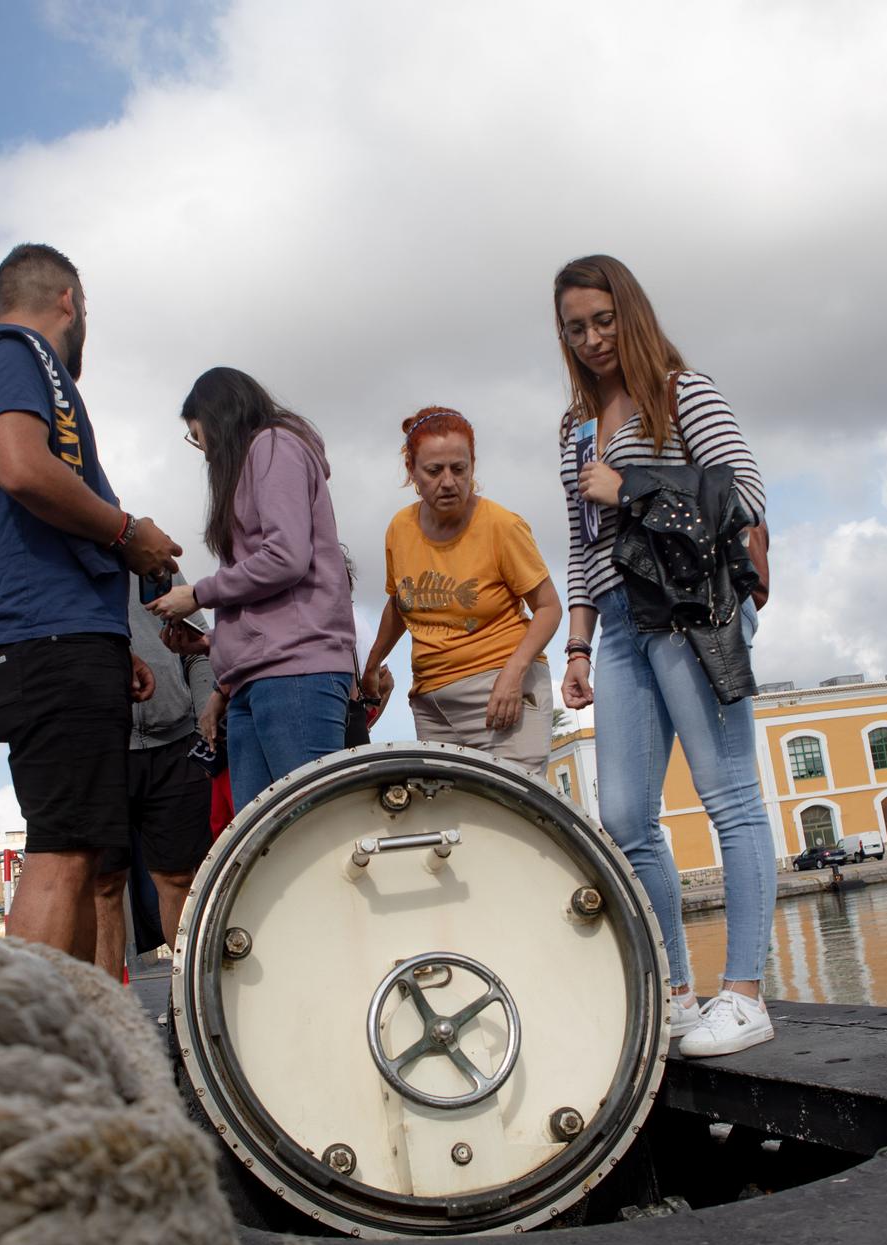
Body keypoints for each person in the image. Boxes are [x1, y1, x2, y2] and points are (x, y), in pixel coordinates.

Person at [0, 242, 182, 963]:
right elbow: (22, 466)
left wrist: (116, 639)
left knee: (75, 846)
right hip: (48, 642)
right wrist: (128, 532)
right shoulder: (13, 354)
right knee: (63, 852)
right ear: (68, 300)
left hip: (62, 641)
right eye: (85, 308)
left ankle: (60, 1035)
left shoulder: (4, 361)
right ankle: (29, 1045)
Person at [552, 254, 776, 1058]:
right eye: (577, 327)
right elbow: (582, 547)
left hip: (689, 609)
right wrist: (575, 643)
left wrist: (633, 487)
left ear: (632, 314)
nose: (593, 338)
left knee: (730, 796)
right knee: (622, 816)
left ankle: (746, 991)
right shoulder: (574, 428)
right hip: (616, 623)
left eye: (605, 320)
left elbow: (742, 493)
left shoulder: (683, 392)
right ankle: (677, 987)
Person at [149, 368, 357, 810]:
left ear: (217, 418)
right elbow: (267, 602)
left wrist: (199, 594)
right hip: (256, 679)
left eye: (196, 436)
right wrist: (209, 645)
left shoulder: (273, 446)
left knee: (307, 833)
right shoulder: (259, 458)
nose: (203, 452)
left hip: (296, 671)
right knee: (262, 847)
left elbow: (286, 557)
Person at [359, 406, 562, 772]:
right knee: (452, 823)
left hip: (500, 692)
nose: (449, 481)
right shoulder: (399, 529)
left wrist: (513, 674)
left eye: (459, 468)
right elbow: (401, 602)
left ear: (473, 465)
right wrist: (372, 664)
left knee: (513, 817)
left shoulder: (501, 525)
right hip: (432, 703)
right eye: (434, 471)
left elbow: (548, 607)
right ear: (412, 472)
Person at [93, 598, 216, 975]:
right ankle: (107, 1019)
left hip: (174, 744)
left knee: (182, 879)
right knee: (102, 884)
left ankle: (188, 1006)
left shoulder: (155, 564)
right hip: (100, 745)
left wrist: (200, 719)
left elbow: (200, 650)